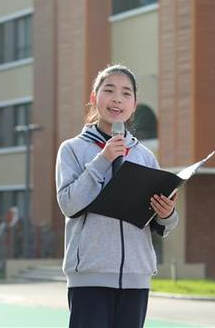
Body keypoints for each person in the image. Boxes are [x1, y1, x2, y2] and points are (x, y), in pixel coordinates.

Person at [55, 64, 179, 328]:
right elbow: (69, 204)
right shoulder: (72, 150)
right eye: (109, 90)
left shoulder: (145, 156)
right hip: (90, 276)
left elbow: (159, 225)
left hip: (137, 276)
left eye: (126, 93)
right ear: (93, 98)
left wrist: (167, 214)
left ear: (134, 104)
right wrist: (103, 160)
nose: (117, 99)